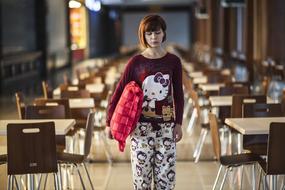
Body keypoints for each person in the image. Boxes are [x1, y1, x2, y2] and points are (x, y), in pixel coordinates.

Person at [106, 14, 184, 190]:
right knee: (142, 182)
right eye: (149, 34)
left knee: (166, 183)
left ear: (164, 33)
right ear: (143, 36)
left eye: (157, 33)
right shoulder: (136, 62)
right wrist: (108, 122)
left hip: (166, 128)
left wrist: (178, 123)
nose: (154, 37)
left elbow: (178, 94)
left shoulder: (173, 61)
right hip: (140, 129)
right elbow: (118, 91)